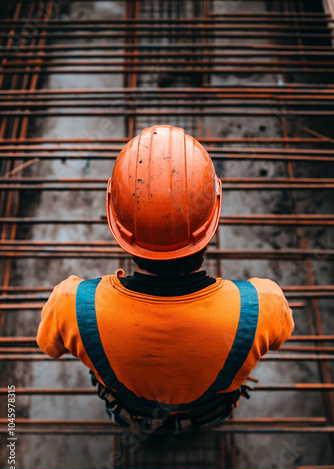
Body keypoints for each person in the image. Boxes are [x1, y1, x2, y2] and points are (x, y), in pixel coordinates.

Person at [37, 125, 294, 433]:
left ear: (119, 227)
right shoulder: (263, 305)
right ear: (212, 218)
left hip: (130, 413)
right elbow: (281, 336)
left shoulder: (72, 306)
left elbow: (48, 346)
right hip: (208, 413)